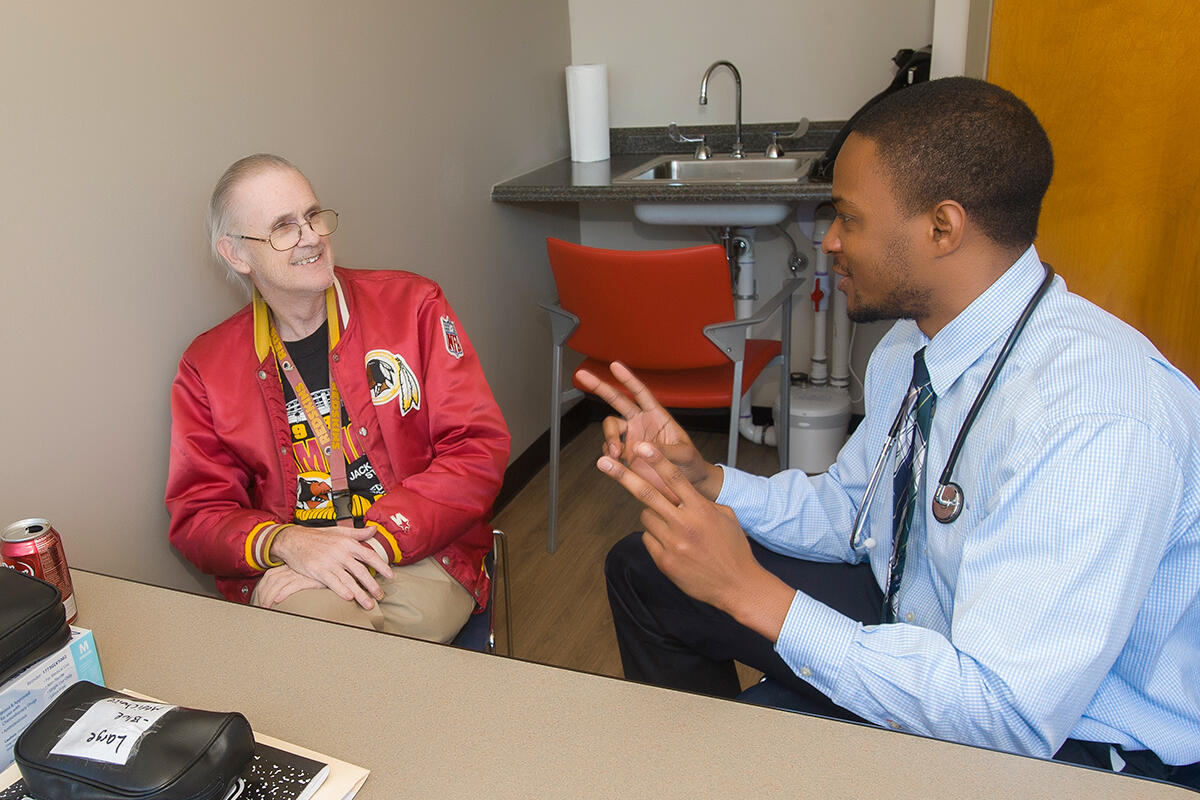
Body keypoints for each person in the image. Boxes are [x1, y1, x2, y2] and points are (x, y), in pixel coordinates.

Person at [585, 78, 1200, 788]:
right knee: (647, 568)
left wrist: (748, 592)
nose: (831, 242)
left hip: (1082, 744)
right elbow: (855, 513)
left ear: (943, 226)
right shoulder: (912, 347)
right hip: (930, 622)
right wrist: (708, 481)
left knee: (769, 744)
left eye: (847, 218)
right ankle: (705, 768)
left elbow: (1005, 714)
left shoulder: (1095, 422)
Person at [166, 154, 510, 643]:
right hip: (298, 567)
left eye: (312, 216)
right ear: (237, 254)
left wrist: (369, 543)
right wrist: (288, 542)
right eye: (283, 227)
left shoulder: (412, 305)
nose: (310, 236)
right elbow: (199, 513)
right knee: (311, 636)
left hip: (419, 552)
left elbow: (477, 450)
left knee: (314, 644)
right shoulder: (207, 365)